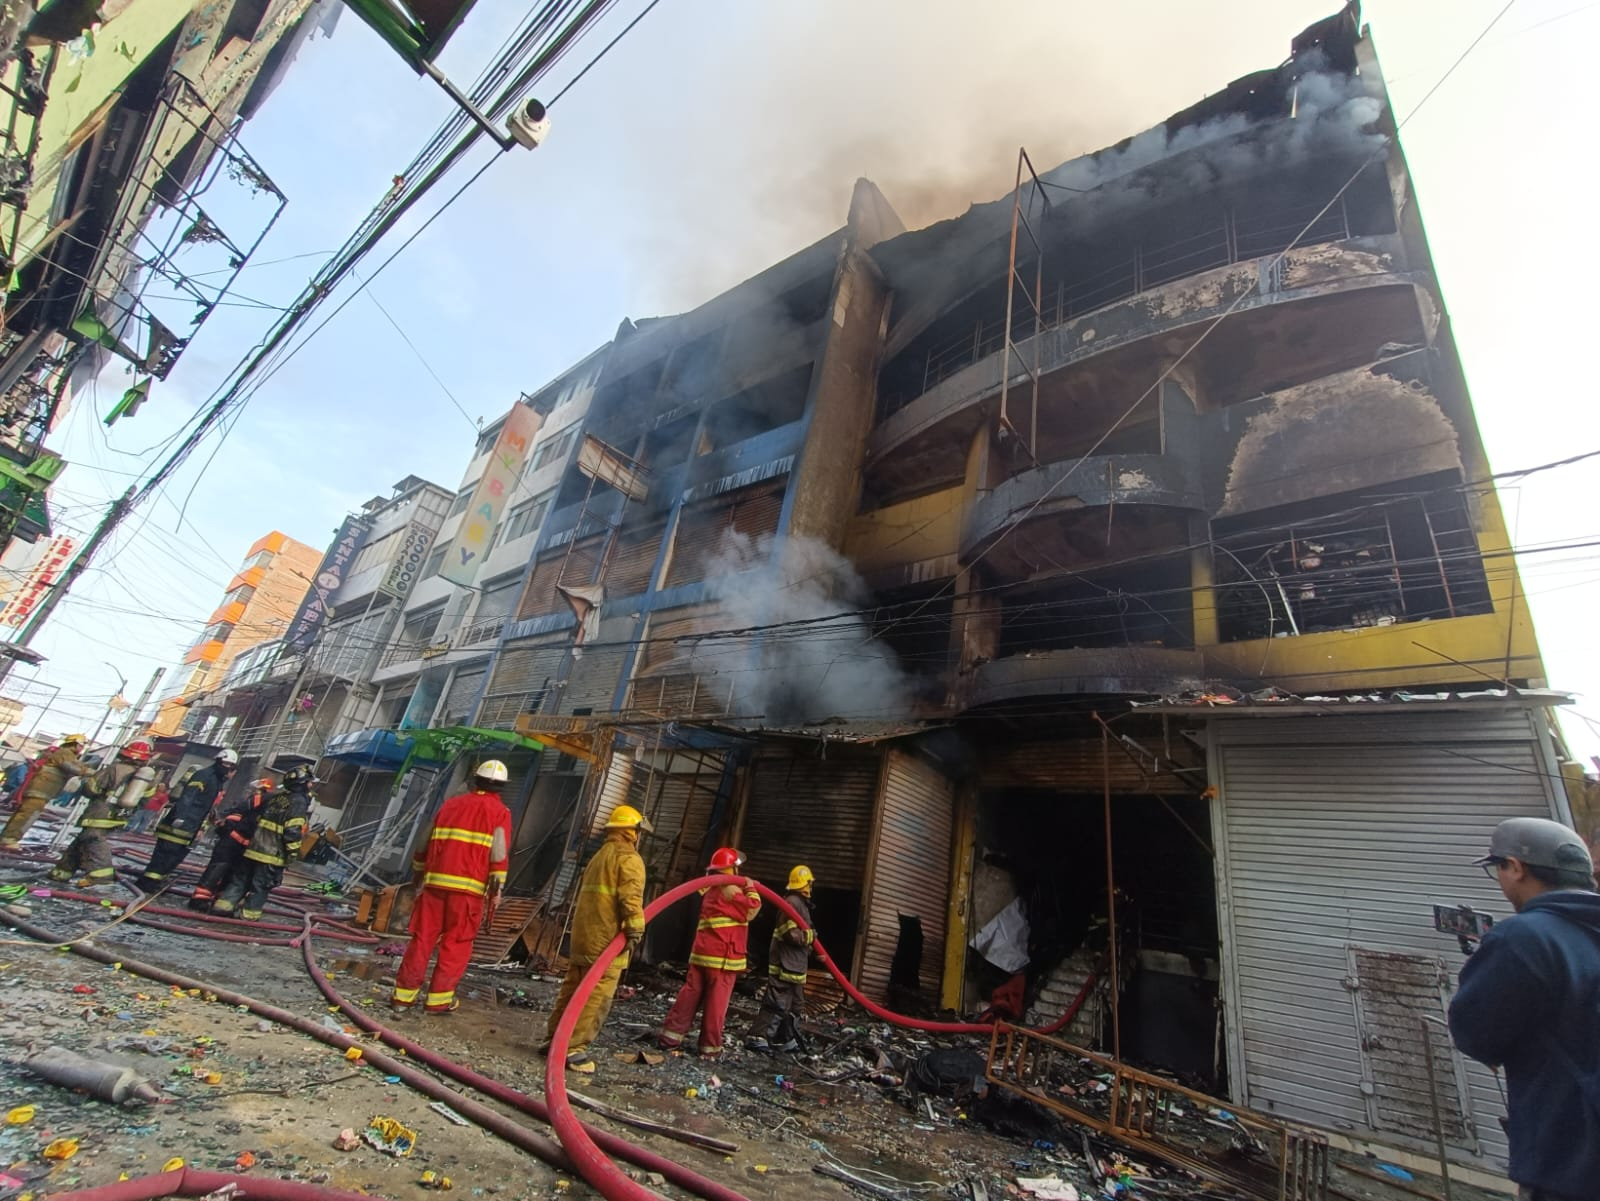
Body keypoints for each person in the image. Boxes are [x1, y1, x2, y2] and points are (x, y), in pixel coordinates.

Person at [1448, 817, 1600, 1201]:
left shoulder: (1525, 937)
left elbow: (1474, 1032)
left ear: (1515, 867)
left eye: (1497, 868)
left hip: (1567, 1155)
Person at [390, 760, 513, 1014]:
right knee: (455, 945)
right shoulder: (500, 813)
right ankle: (437, 1003)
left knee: (422, 941)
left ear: (475, 780)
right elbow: (498, 855)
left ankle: (402, 998)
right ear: (501, 787)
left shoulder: (450, 805)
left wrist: (417, 875)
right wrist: (496, 891)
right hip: (468, 893)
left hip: (434, 887)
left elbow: (423, 843)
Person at [541, 804, 651, 1071]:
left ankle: (554, 1040)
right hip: (606, 941)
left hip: (583, 937)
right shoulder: (629, 859)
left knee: (571, 990)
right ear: (633, 832)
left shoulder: (599, 856)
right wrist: (636, 932)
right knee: (596, 996)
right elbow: (630, 901)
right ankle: (573, 1050)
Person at [660, 848, 761, 1060]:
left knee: (689, 996)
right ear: (731, 868)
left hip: (701, 955)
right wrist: (751, 887)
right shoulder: (732, 889)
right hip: (722, 957)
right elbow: (752, 909)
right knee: (716, 1004)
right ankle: (709, 1049)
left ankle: (670, 1038)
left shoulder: (710, 888)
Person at [213, 764, 314, 921]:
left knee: (240, 881)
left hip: (253, 849)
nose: (311, 785)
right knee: (260, 887)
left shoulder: (278, 798)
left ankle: (222, 907)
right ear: (302, 784)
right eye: (309, 782)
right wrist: (292, 853)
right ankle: (248, 916)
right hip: (271, 855)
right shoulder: (298, 802)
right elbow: (292, 830)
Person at [48, 741, 153, 887]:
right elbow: (145, 800)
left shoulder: (114, 769)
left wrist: (84, 783)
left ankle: (101, 876)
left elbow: (92, 789)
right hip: (119, 815)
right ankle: (62, 871)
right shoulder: (147, 778)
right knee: (82, 840)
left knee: (93, 840)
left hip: (99, 812)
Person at [134, 749, 237, 891]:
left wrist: (209, 820)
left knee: (176, 857)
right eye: (225, 764)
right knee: (165, 856)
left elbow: (207, 804)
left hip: (191, 827)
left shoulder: (217, 781)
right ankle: (147, 883)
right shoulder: (204, 775)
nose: (228, 768)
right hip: (178, 825)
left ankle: (156, 882)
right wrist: (180, 817)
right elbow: (188, 796)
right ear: (218, 761)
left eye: (230, 766)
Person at [746, 864, 816, 1053]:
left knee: (796, 1005)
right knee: (777, 1001)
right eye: (809, 883)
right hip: (785, 962)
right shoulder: (792, 903)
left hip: (796, 964)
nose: (811, 886)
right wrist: (810, 937)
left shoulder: (800, 903)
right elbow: (790, 934)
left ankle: (784, 1038)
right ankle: (757, 1036)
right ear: (806, 883)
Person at [188, 774, 275, 912]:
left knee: (230, 873)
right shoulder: (261, 802)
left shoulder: (265, 802)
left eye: (257, 791)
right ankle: (200, 899)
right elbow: (236, 814)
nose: (254, 793)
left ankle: (217, 900)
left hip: (241, 844)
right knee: (219, 870)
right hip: (235, 842)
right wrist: (224, 823)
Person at [0, 734, 93, 848]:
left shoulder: (67, 754)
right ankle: (9, 839)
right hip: (40, 790)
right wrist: (89, 772)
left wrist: (86, 766)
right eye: (81, 745)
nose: (82, 748)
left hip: (42, 790)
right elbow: (71, 768)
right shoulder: (65, 753)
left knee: (26, 813)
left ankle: (6, 837)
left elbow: (75, 765)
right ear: (74, 743)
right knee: (27, 815)